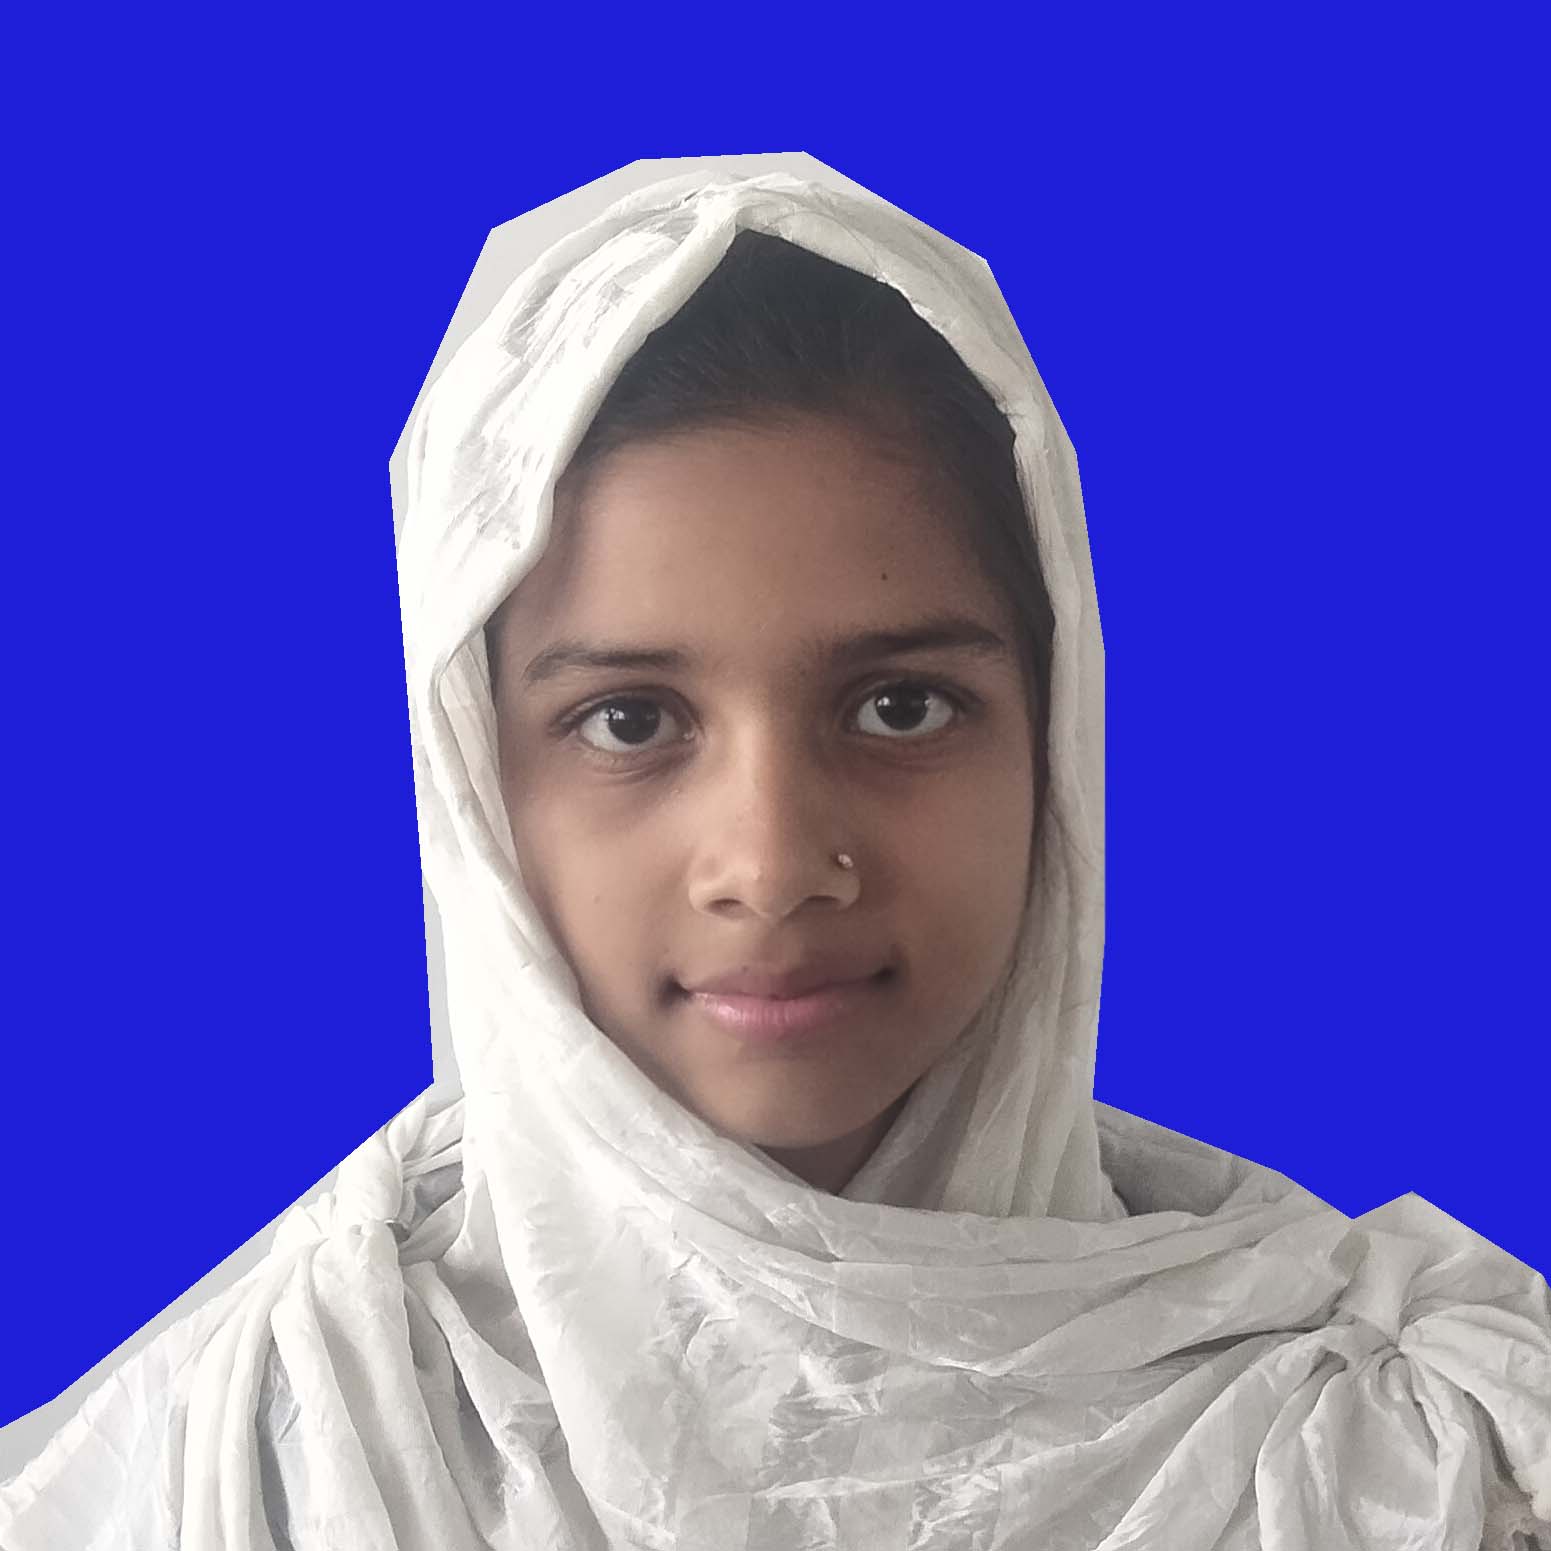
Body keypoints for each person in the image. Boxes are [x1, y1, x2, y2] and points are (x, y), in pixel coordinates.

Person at [2, 156, 1547, 1550]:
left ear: (1056, 736)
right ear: (472, 778)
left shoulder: (1405, 1459)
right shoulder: (271, 1453)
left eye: (899, 705)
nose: (774, 860)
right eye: (628, 721)